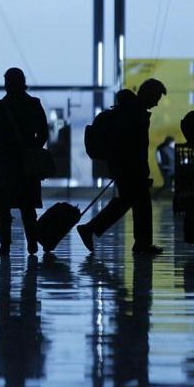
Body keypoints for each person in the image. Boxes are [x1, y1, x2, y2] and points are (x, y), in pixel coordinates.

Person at [77, 79, 166, 255]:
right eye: (156, 97)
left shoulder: (128, 111)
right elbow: (135, 147)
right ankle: (140, 243)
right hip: (129, 166)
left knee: (128, 201)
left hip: (122, 165)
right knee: (140, 203)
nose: (156, 103)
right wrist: (140, 169)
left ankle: (92, 229)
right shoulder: (134, 114)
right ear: (148, 94)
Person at [0, 68, 49, 256]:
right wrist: (33, 149)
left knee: (3, 208)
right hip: (27, 162)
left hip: (5, 162)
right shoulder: (33, 104)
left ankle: (5, 245)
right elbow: (43, 133)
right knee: (27, 206)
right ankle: (32, 243)